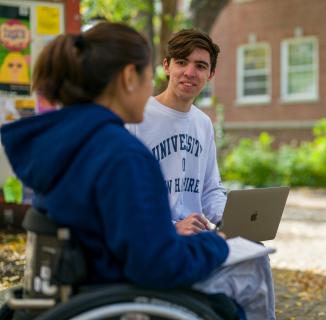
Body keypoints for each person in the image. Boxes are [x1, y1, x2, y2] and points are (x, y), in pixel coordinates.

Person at [0, 23, 269, 320]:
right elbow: (156, 263)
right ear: (130, 77)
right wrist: (214, 243)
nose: (148, 90)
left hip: (79, 284)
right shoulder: (121, 154)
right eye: (146, 77)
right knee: (239, 290)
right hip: (114, 293)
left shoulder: (71, 139)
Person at [126, 29, 276, 319]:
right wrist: (171, 227)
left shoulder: (203, 123)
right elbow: (127, 199)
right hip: (160, 239)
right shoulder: (138, 117)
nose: (189, 72)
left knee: (256, 258)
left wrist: (228, 221)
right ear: (167, 65)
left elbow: (210, 188)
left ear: (211, 74)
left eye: (200, 66)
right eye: (182, 62)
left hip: (197, 235)